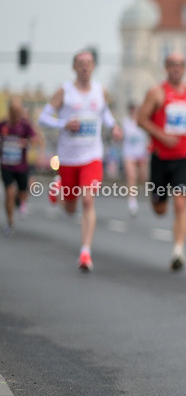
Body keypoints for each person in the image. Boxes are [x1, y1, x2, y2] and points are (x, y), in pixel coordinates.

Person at [38, 48, 122, 271]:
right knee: (70, 208)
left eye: (89, 62)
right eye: (81, 62)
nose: (85, 66)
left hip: (92, 156)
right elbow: (43, 117)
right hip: (68, 158)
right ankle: (58, 188)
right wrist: (62, 124)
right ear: (74, 67)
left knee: (88, 200)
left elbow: (105, 114)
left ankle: (85, 252)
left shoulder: (100, 90)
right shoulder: (64, 92)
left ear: (93, 67)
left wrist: (113, 127)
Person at [136, 52, 186, 270]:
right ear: (166, 67)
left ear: (185, 68)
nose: (176, 68)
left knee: (180, 203)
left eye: (180, 65)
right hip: (160, 157)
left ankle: (178, 251)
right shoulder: (157, 93)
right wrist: (161, 136)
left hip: (184, 157)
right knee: (160, 208)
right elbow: (140, 119)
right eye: (172, 64)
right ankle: (158, 201)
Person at [1, 97, 44, 235]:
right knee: (8, 192)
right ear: (10, 111)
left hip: (21, 166)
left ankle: (19, 200)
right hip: (6, 165)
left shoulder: (25, 125)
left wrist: (26, 142)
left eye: (18, 111)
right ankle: (10, 222)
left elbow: (35, 139)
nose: (15, 114)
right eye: (13, 111)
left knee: (23, 192)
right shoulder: (3, 125)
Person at [121, 102, 149, 216]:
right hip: (129, 153)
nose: (134, 113)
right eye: (132, 110)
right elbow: (122, 136)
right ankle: (132, 202)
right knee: (131, 176)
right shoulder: (126, 123)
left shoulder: (143, 121)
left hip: (142, 154)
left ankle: (145, 196)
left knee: (143, 177)